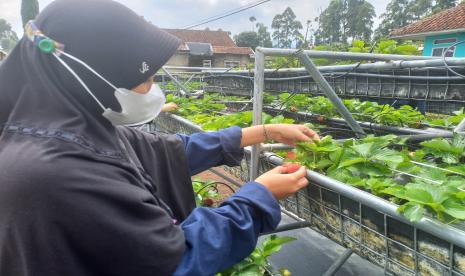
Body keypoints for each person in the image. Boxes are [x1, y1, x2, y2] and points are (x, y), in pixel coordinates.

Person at [0, 1, 319, 275]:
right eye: (145, 77)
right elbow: (172, 262)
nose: (153, 88)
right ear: (93, 75)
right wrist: (257, 197)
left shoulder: (69, 128)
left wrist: (266, 131)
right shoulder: (59, 173)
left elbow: (169, 151)